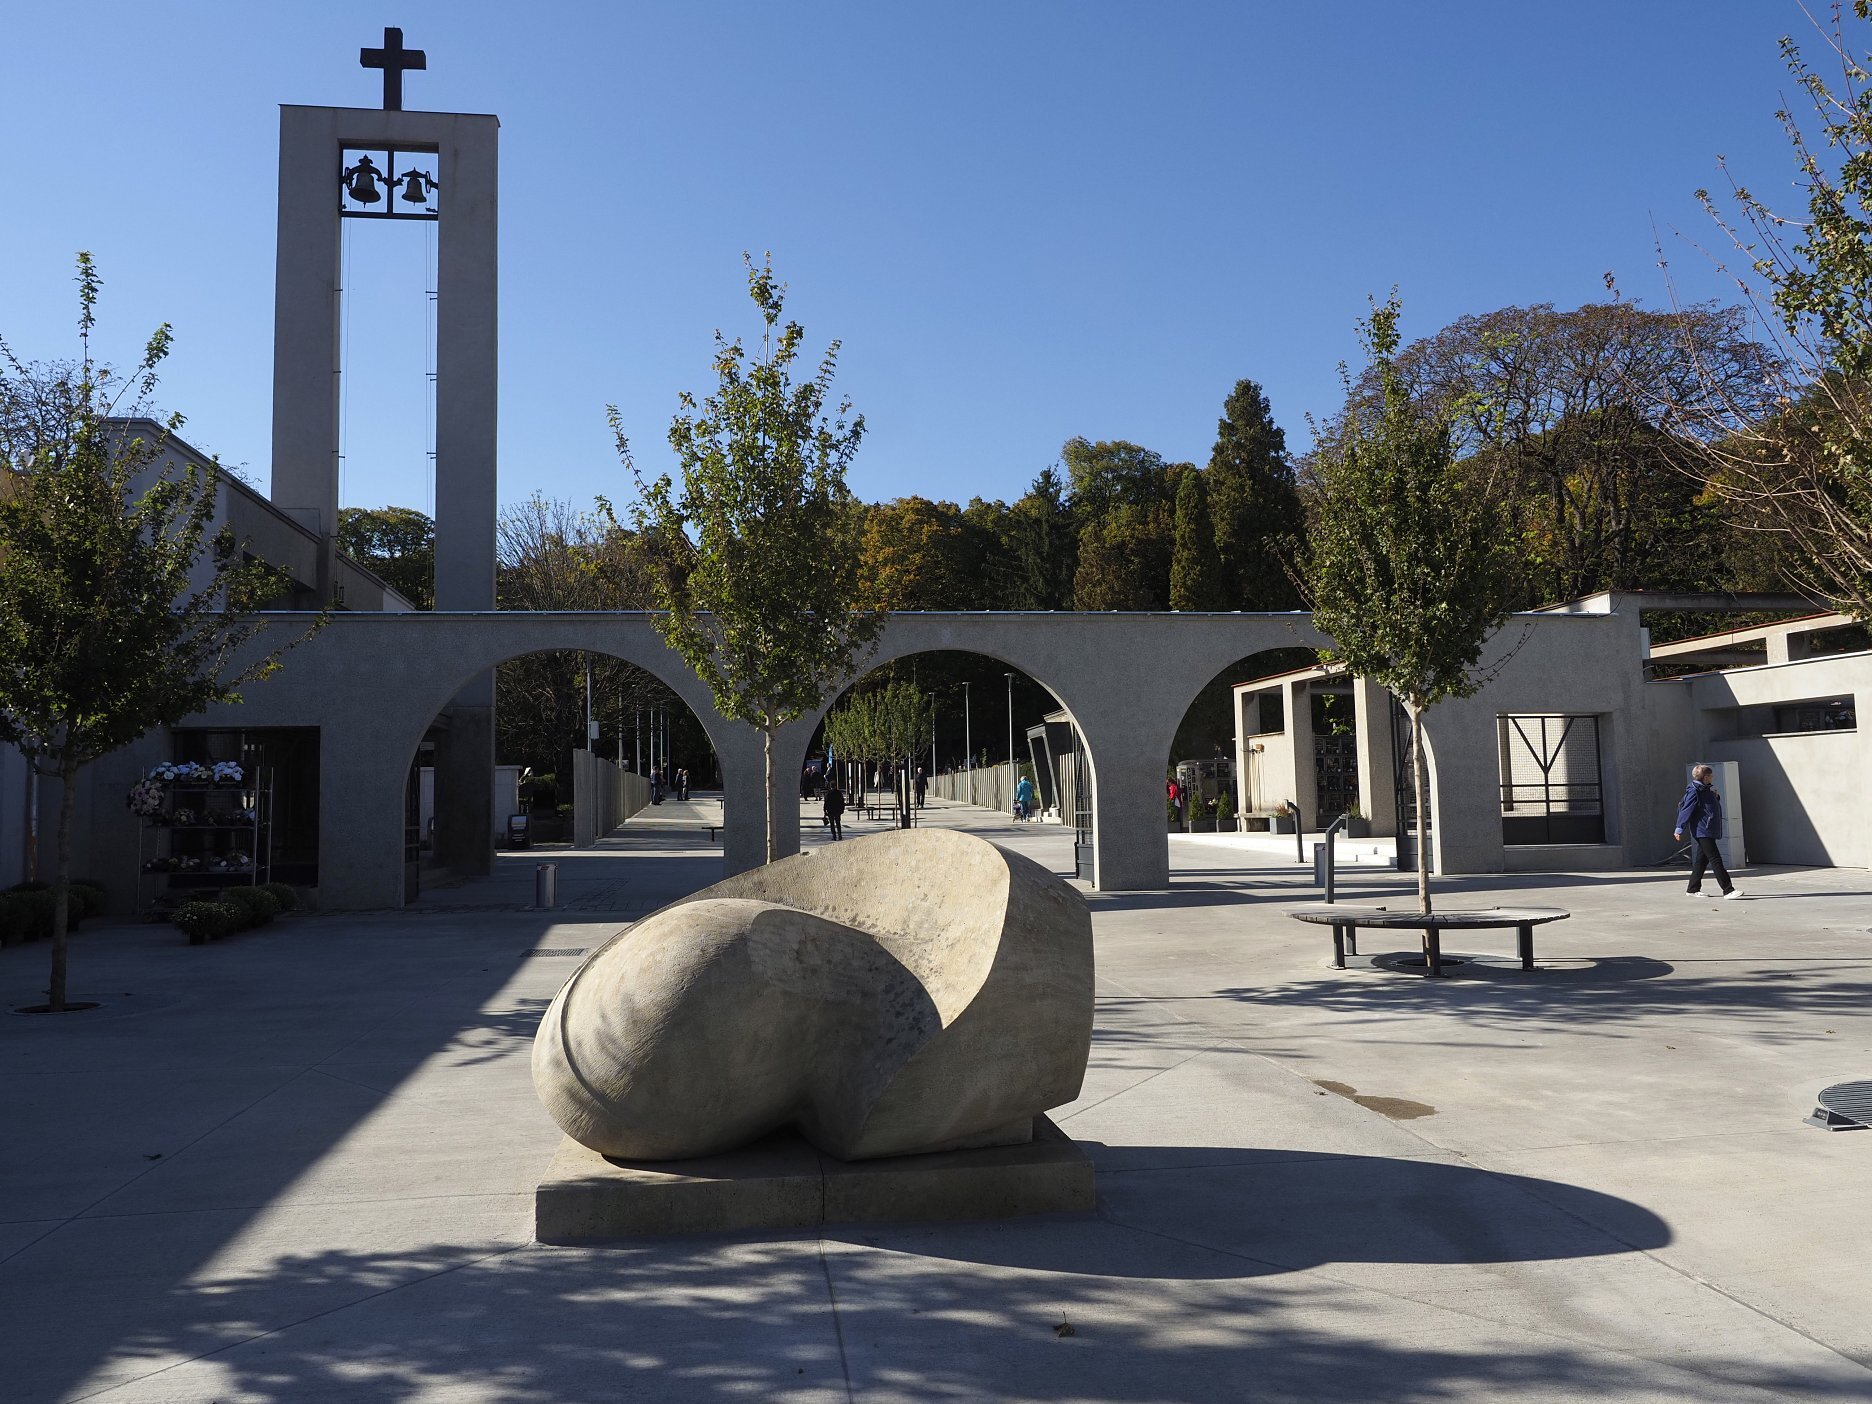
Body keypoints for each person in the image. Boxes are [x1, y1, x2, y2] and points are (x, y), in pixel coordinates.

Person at [1675, 763, 1742, 898]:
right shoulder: (1695, 790)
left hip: (1707, 828)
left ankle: (1692, 889)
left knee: (1702, 861)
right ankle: (1728, 890)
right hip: (1703, 830)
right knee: (1715, 859)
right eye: (1710, 775)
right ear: (1705, 777)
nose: (1712, 778)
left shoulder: (1704, 789)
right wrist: (1679, 828)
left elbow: (1706, 806)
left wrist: (1715, 797)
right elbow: (1686, 810)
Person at [823, 777, 846, 841]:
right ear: (836, 786)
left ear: (830, 786)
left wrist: (825, 810)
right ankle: (840, 835)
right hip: (837, 810)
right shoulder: (839, 793)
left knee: (832, 824)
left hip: (830, 811)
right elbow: (842, 802)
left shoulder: (828, 793)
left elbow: (826, 803)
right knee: (838, 823)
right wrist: (842, 809)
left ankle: (834, 836)